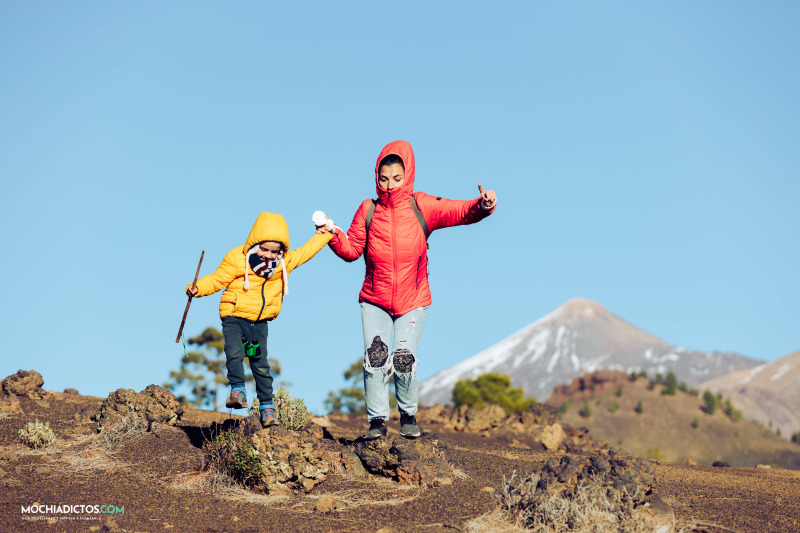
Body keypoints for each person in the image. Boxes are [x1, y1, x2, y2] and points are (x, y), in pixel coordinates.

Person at [317, 140, 496, 439]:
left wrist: (483, 205)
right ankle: (377, 422)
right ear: (377, 177)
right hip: (375, 300)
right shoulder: (367, 210)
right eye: (383, 179)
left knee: (403, 358)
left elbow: (460, 212)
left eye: (396, 178)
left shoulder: (421, 206)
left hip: (413, 300)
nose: (389, 185)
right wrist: (332, 234)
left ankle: (408, 415)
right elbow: (351, 250)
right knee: (375, 356)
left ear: (408, 175)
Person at [186, 212, 331, 427]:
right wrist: (198, 288)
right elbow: (217, 279)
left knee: (260, 364)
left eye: (275, 251)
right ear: (255, 243)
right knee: (234, 353)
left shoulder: (283, 264)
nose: (269, 255)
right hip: (234, 315)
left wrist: (324, 235)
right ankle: (238, 391)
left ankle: (267, 407)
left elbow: (305, 252)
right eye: (264, 249)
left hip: (259, 321)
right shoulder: (237, 258)